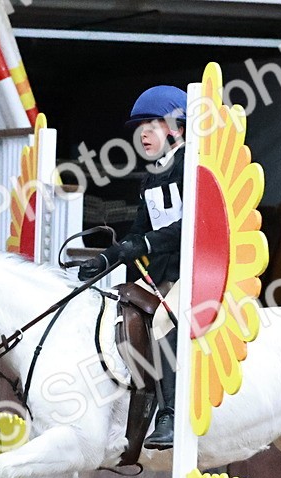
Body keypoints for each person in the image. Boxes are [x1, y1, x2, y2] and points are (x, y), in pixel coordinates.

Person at [79, 85, 186, 450]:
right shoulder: (152, 175)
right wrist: (106, 259)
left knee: (163, 321)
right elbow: (139, 231)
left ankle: (170, 414)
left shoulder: (193, 166)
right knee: (122, 315)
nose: (144, 133)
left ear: (178, 128)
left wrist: (146, 244)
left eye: (154, 124)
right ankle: (143, 396)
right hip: (160, 274)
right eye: (141, 126)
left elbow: (189, 226)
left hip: (195, 270)